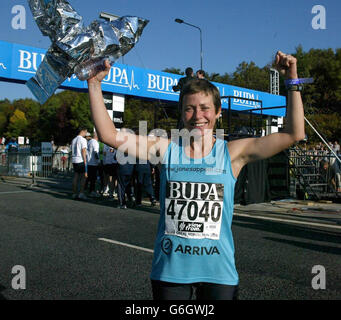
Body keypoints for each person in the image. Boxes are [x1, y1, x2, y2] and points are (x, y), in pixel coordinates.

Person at [87, 50, 305, 300]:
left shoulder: (233, 152)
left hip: (219, 274)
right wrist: (94, 84)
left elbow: (293, 134)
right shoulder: (165, 148)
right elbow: (109, 136)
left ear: (218, 112)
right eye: (189, 109)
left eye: (204, 108)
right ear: (181, 113)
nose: (197, 116)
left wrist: (292, 80)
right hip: (171, 273)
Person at [71, 128, 88, 200]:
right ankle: (81, 193)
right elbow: (83, 150)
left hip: (74, 159)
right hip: (80, 159)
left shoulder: (74, 139)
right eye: (86, 132)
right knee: (83, 177)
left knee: (76, 176)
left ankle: (74, 193)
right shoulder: (82, 140)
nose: (86, 134)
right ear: (82, 131)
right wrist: (85, 161)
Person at [87, 131, 100, 197]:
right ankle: (91, 192)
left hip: (89, 162)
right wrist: (98, 161)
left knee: (89, 178)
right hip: (93, 163)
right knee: (93, 179)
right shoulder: (95, 142)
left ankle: (86, 191)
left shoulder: (90, 141)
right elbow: (95, 152)